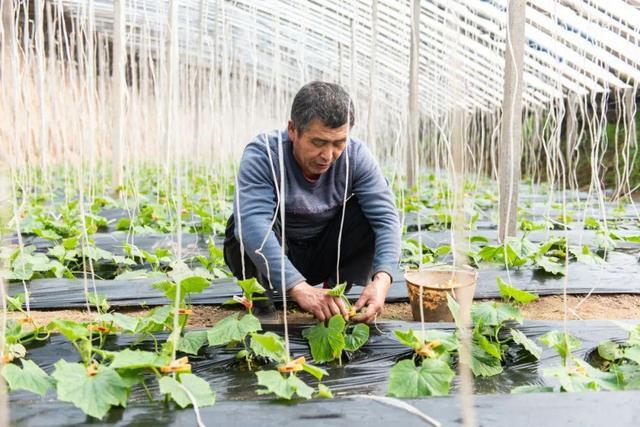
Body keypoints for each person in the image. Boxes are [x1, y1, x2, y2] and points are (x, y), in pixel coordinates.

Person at [223, 81, 400, 323]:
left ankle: (332, 293)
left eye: (339, 143)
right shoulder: (264, 154)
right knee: (242, 225)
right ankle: (261, 300)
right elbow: (253, 223)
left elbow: (386, 219)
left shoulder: (356, 156)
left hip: (322, 252)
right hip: (276, 251)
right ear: (292, 130)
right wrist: (297, 286)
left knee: (368, 215)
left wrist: (382, 280)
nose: (328, 155)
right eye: (318, 142)